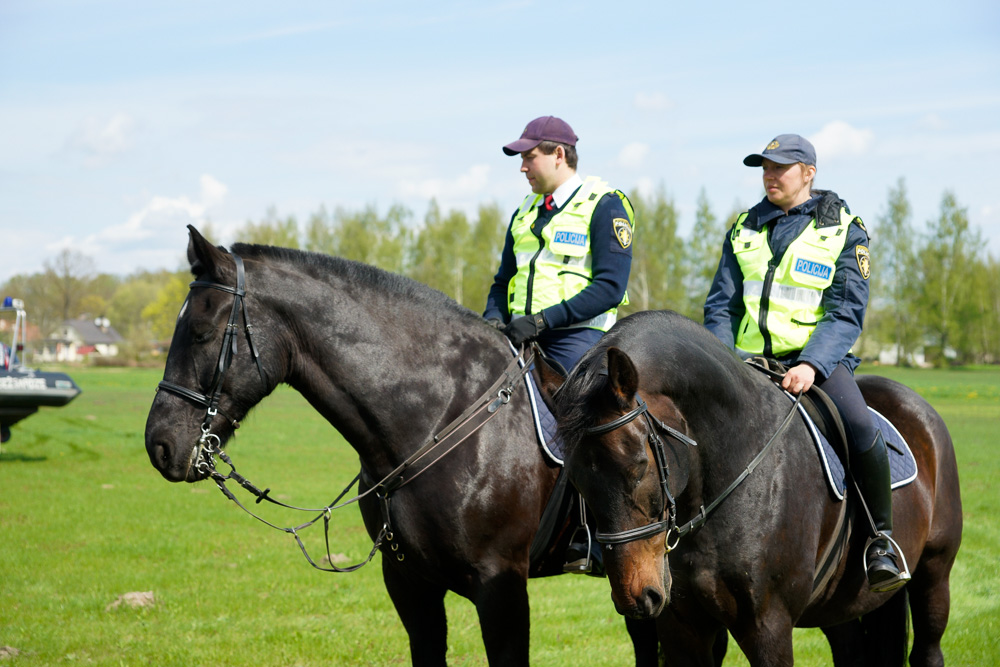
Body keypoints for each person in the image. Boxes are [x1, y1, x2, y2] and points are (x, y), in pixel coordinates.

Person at [703, 133, 907, 593]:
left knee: (857, 426)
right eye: (764, 168)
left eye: (779, 167)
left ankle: (881, 540)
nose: (768, 175)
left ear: (808, 173)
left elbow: (845, 312)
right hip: (745, 363)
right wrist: (721, 361)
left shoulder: (844, 229)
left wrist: (812, 365)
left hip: (816, 364)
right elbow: (721, 306)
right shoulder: (744, 227)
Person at [483, 115, 635, 574]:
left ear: (558, 155)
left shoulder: (605, 205)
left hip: (577, 338)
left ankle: (589, 534)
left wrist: (544, 320)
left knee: (585, 421)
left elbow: (610, 286)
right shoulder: (524, 213)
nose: (523, 167)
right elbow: (502, 280)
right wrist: (491, 323)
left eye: (528, 156)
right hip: (517, 334)